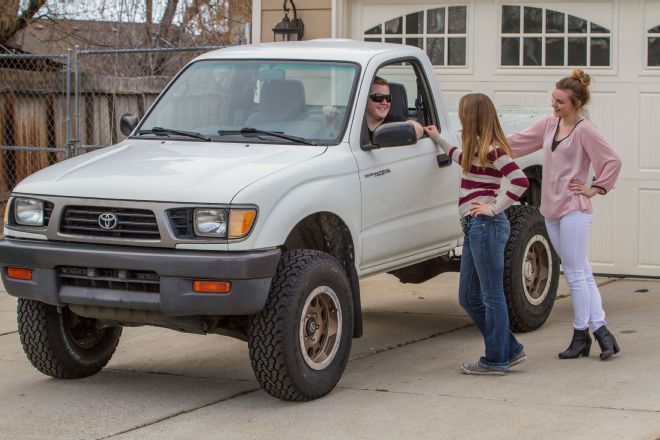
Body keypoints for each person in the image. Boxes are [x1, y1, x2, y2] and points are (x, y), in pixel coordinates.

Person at [507, 69, 622, 361]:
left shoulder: (585, 130)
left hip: (574, 209)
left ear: (576, 104)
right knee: (581, 270)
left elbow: (612, 161)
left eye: (560, 101)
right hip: (550, 208)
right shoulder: (549, 124)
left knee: (573, 273)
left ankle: (580, 335)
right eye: (553, 98)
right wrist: (485, 145)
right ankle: (603, 334)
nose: (554, 104)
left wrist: (595, 188)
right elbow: (518, 142)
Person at [424, 93, 530, 375]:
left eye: (462, 113)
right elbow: (460, 159)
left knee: (491, 295)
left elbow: (520, 181)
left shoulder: (493, 150)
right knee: (469, 297)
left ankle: (496, 360)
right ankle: (511, 349)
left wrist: (494, 208)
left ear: (471, 116)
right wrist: (437, 138)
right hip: (475, 227)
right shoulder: (476, 149)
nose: (459, 118)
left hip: (486, 227)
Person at [366, 76, 424, 140]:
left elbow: (419, 129)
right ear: (365, 99)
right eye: (378, 97)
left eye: (388, 98)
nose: (385, 102)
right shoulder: (354, 121)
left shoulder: (394, 122)